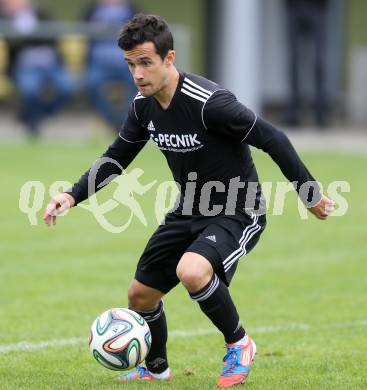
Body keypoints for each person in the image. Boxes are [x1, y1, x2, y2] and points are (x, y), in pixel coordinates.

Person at [43, 14, 335, 387]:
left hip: (237, 208)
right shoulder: (143, 107)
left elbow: (272, 137)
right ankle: (156, 368)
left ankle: (240, 344)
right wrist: (71, 195)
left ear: (169, 58)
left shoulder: (210, 103)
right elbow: (116, 158)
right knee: (140, 294)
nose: (138, 74)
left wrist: (308, 192)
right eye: (131, 65)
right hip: (190, 206)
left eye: (145, 62)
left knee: (193, 271)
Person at [0, 0, 75, 136]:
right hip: (25, 66)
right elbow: (13, 43)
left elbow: (53, 36)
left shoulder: (42, 12)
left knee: (67, 87)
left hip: (52, 64)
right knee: (29, 91)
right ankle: (33, 125)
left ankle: (39, 115)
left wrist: (28, 36)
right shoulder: (6, 18)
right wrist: (36, 35)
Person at [84, 0, 137, 131]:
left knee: (144, 85)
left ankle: (126, 119)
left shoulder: (133, 9)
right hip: (98, 65)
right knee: (90, 84)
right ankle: (114, 122)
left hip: (129, 64)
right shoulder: (91, 10)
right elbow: (82, 33)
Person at [285, 0, 330, 127]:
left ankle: (321, 114)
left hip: (319, 7)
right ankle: (293, 113)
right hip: (294, 6)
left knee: (319, 62)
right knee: (293, 60)